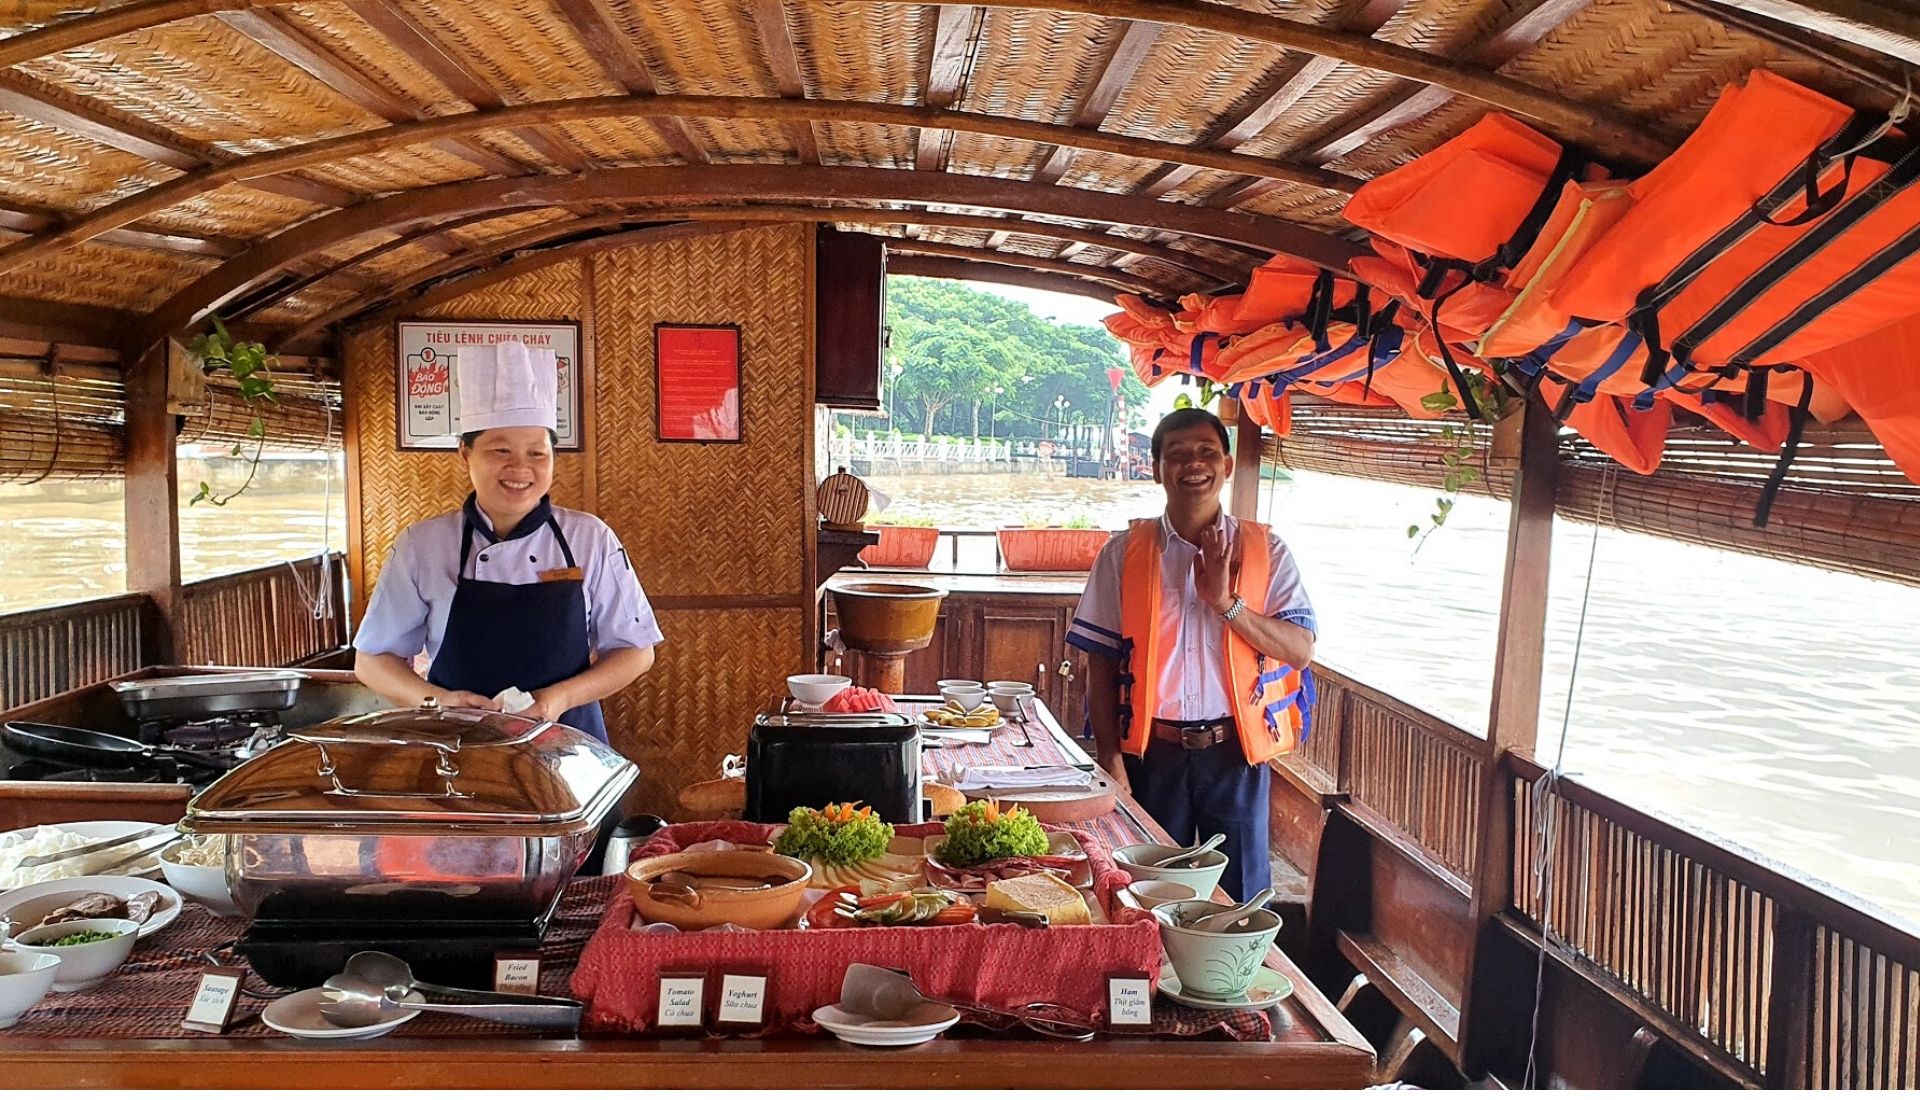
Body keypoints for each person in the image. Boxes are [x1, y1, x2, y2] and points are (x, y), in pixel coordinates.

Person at [353, 340, 661, 742]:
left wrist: (556, 699)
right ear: (465, 453)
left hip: (568, 743)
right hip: (456, 746)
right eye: (500, 450)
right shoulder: (423, 545)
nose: (520, 468)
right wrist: (437, 700)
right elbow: (373, 660)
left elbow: (636, 651)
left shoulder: (589, 538)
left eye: (538, 453)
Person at [1066, 408, 1316, 903]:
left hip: (1236, 754)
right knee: (1147, 897)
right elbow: (1100, 666)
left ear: (1225, 464)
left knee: (1243, 901)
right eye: (1176, 454)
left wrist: (1226, 604)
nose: (1193, 464)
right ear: (1157, 468)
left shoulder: (1269, 552)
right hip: (1151, 756)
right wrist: (1110, 760)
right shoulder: (1123, 555)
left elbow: (1299, 650)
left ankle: (1240, 979)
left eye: (1206, 452)